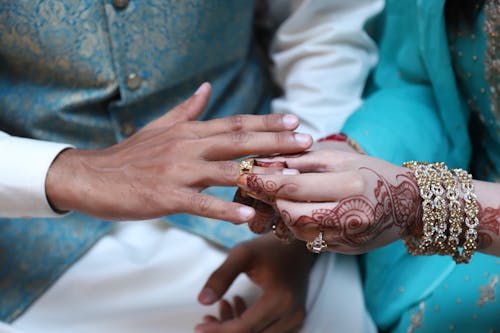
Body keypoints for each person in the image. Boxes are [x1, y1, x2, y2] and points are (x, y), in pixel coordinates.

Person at [0, 0, 383, 332]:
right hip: (23, 231)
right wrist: (67, 172)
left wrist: (293, 212)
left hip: (253, 220)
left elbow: (325, 31)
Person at [198, 0, 500, 332]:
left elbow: (410, 202)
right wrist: (342, 154)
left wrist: (420, 204)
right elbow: (420, 80)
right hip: (429, 241)